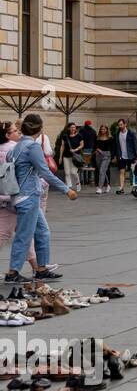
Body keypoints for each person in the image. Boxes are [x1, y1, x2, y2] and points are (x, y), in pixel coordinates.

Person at [5, 114, 76, 284]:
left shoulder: (16, 147)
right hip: (28, 196)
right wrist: (66, 190)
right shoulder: (32, 147)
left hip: (21, 196)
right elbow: (45, 172)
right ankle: (12, 272)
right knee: (24, 236)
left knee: (42, 232)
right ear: (39, 128)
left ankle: (42, 269)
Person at [0, 121, 40, 275]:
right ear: (7, 135)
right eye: (15, 131)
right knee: (7, 233)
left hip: (8, 196)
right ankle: (18, 271)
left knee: (25, 232)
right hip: (14, 196)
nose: (19, 133)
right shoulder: (13, 148)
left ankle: (36, 266)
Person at [113, 118, 137, 195]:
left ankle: (134, 188)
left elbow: (136, 145)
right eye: (119, 125)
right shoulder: (117, 134)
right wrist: (115, 155)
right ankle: (121, 188)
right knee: (122, 172)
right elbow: (116, 145)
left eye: (121, 124)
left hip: (131, 156)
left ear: (125, 124)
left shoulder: (131, 133)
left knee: (133, 172)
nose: (120, 126)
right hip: (121, 156)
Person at [55, 122, 84, 191]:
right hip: (66, 156)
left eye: (74, 127)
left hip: (75, 156)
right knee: (67, 172)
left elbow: (82, 145)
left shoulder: (79, 136)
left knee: (73, 172)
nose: (73, 128)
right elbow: (62, 146)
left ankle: (77, 183)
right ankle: (69, 186)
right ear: (68, 128)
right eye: (71, 127)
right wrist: (60, 157)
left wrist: (75, 149)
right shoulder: (65, 136)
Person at [93, 124, 113, 194]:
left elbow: (112, 148)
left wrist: (112, 157)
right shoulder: (97, 137)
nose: (103, 130)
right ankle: (108, 185)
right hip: (98, 155)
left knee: (102, 171)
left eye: (104, 129)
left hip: (106, 155)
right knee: (102, 171)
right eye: (101, 129)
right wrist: (97, 149)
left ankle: (100, 188)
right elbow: (94, 146)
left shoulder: (110, 138)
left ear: (107, 130)